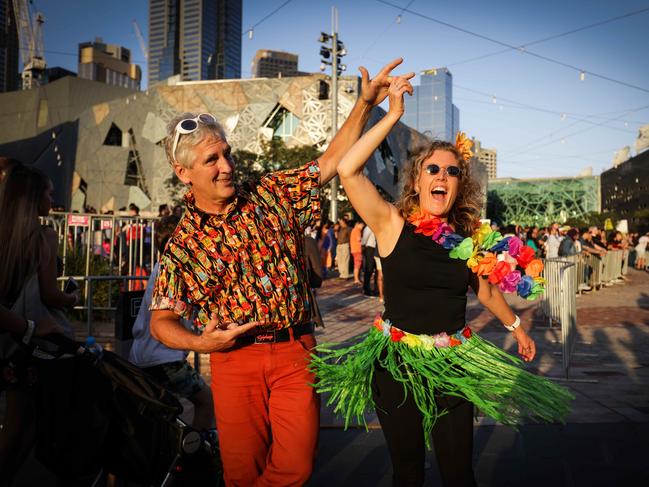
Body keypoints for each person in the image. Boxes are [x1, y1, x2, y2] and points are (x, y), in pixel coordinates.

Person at [148, 58, 414, 486]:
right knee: (241, 472)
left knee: (296, 467)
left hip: (295, 350)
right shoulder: (184, 243)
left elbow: (329, 160)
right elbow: (161, 320)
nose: (227, 166)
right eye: (212, 160)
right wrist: (200, 341)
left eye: (227, 154)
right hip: (234, 360)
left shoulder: (270, 192)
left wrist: (365, 105)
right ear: (184, 173)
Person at [311, 76, 573, 486]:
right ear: (417, 181)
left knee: (458, 473)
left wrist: (517, 327)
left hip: (453, 363)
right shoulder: (391, 224)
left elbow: (485, 290)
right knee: (409, 473)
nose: (443, 176)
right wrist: (393, 114)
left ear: (458, 185)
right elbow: (347, 168)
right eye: (433, 168)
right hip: (396, 366)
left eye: (452, 172)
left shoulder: (466, 239)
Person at [129, 215, 214, 430]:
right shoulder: (170, 272)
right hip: (163, 359)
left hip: (145, 356)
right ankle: (193, 454)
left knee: (157, 416)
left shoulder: (162, 268)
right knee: (206, 402)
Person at [361, 223, 377, 296]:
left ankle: (376, 289)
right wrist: (363, 247)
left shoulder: (375, 226)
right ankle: (366, 289)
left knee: (376, 270)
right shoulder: (368, 227)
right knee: (369, 269)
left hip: (375, 249)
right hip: (370, 249)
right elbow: (364, 239)